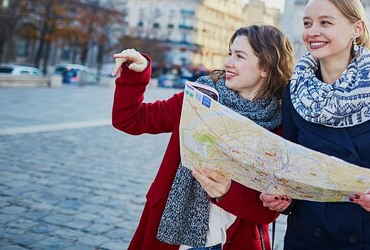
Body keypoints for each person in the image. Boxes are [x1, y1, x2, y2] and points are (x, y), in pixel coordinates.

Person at [260, 0, 370, 250]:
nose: (312, 31)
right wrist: (281, 198)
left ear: (357, 29)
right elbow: (290, 175)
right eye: (307, 23)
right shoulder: (294, 92)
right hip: (308, 240)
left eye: (325, 22)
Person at [111, 24, 294, 250]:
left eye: (239, 56)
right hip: (172, 238)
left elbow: (266, 212)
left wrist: (227, 192)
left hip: (234, 240)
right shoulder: (198, 97)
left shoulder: (280, 124)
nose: (228, 62)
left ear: (265, 67)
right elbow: (130, 119)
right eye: (230, 53)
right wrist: (136, 73)